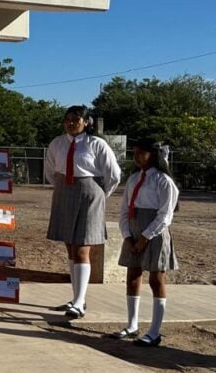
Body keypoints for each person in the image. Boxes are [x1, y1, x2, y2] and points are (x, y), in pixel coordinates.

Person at [44, 106, 121, 320]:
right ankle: (77, 297)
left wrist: (98, 194)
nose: (71, 123)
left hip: (89, 195)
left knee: (82, 249)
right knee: (70, 248)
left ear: (86, 122)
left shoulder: (97, 144)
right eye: (67, 119)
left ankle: (79, 303)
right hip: (63, 192)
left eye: (76, 119)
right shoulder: (57, 143)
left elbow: (113, 175)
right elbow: (50, 171)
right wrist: (63, 188)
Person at [109, 139, 179, 347]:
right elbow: (124, 210)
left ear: (153, 155)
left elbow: (165, 215)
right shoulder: (133, 179)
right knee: (132, 276)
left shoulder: (163, 180)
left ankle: (155, 331)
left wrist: (145, 237)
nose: (137, 156)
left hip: (154, 233)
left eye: (142, 153)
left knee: (156, 279)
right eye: (135, 153)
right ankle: (132, 325)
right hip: (133, 229)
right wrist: (128, 236)